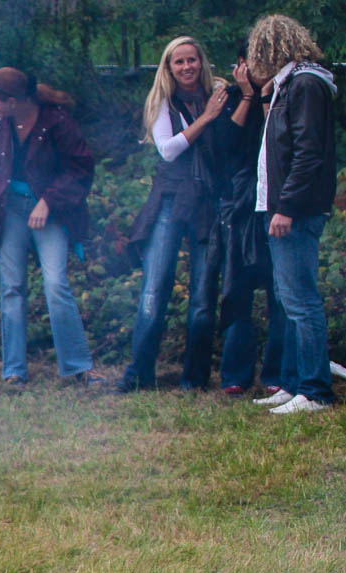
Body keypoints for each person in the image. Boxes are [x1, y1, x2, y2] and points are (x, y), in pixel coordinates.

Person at [0, 67, 98, 386]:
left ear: (12, 101)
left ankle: (76, 367)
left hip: (50, 210)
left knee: (55, 283)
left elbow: (80, 169)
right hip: (8, 207)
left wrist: (49, 200)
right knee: (12, 287)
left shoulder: (56, 120)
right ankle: (14, 371)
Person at [120, 37, 231, 393]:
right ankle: (140, 375)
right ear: (168, 68)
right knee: (154, 291)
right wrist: (207, 118)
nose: (186, 68)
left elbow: (232, 140)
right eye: (178, 62)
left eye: (192, 60)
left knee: (202, 297)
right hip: (169, 199)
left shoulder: (217, 95)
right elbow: (168, 150)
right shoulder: (162, 102)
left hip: (208, 202)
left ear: (202, 62)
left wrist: (220, 105)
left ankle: (195, 379)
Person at [248, 14, 339, 415]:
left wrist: (286, 206)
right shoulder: (292, 83)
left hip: (296, 210)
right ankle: (292, 383)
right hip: (287, 206)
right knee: (288, 300)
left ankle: (315, 391)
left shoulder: (303, 84)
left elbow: (307, 151)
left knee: (301, 301)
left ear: (269, 49)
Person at [213, 46, 287, 398]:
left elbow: (274, 143)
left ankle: (277, 372)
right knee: (237, 291)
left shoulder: (286, 95)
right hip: (238, 207)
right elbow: (225, 145)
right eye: (251, 62)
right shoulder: (228, 96)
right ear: (241, 65)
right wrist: (246, 95)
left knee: (280, 294)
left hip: (273, 203)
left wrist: (265, 97)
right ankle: (235, 373)